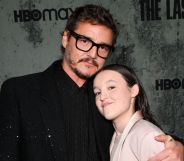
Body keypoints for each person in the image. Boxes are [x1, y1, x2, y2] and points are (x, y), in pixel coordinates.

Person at [0, 4, 183, 161]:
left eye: (102, 47)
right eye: (85, 41)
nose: (92, 54)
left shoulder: (109, 96)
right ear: (66, 39)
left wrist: (179, 147)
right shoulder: (20, 92)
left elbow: (141, 131)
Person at [93, 64, 168, 160]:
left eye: (111, 87)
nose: (102, 97)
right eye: (97, 92)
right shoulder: (116, 136)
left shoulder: (147, 136)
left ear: (133, 90)